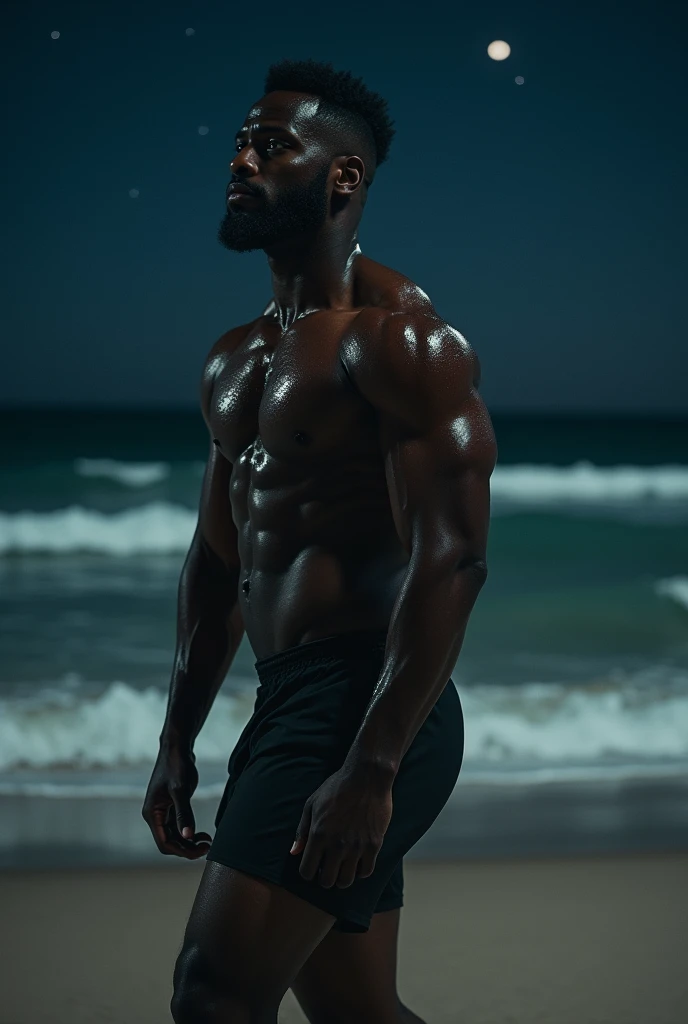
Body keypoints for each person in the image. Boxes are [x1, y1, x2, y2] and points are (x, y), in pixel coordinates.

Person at [142, 57, 497, 1024]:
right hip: (289, 701)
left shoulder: (397, 342)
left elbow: (452, 559)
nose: (242, 160)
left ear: (343, 178)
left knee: (212, 996)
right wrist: (178, 738)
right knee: (358, 1015)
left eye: (272, 144)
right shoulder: (234, 359)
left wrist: (374, 765)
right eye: (239, 143)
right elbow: (219, 563)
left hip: (370, 705)